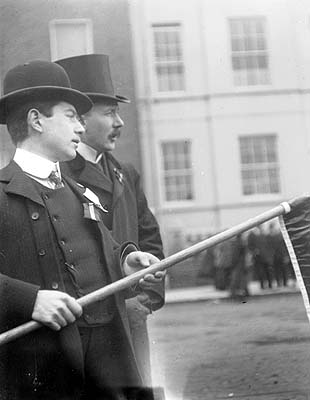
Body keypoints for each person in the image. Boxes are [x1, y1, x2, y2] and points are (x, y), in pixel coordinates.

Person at [0, 60, 165, 400]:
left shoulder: (78, 190)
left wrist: (127, 262)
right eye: (71, 115)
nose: (80, 126)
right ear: (36, 120)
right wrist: (29, 299)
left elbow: (106, 248)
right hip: (43, 372)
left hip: (109, 363)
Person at [57, 54, 165, 385]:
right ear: (80, 119)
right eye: (109, 113)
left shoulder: (125, 173)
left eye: (118, 112)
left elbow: (150, 242)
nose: (120, 123)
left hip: (132, 322)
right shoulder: (58, 176)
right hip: (89, 330)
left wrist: (145, 300)